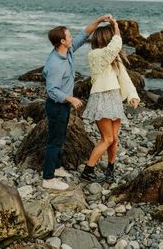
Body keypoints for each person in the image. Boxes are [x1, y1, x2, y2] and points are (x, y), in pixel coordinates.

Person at [42, 14, 113, 190]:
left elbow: (84, 34)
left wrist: (99, 20)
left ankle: (57, 168)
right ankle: (48, 179)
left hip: (62, 105)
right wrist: (70, 98)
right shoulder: (55, 64)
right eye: (69, 36)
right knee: (54, 142)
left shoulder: (68, 50)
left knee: (61, 137)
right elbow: (51, 91)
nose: (72, 37)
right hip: (56, 106)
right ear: (62, 41)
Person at [81, 17, 140, 183]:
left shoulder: (114, 58)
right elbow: (115, 46)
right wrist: (115, 26)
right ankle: (88, 170)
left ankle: (110, 170)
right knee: (107, 139)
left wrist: (132, 96)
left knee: (114, 139)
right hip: (101, 98)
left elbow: (124, 77)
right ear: (107, 39)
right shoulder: (95, 55)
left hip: (114, 97)